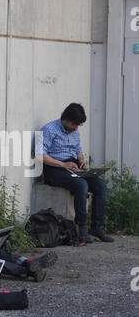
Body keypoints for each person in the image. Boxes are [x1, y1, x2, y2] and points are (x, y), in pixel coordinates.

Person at [39, 103, 114, 244]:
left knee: (100, 185)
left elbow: (78, 150)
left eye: (78, 125)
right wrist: (63, 164)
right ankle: (81, 229)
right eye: (74, 124)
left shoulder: (74, 132)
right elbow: (39, 155)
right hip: (54, 168)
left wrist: (81, 161)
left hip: (72, 166)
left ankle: (97, 227)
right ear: (65, 118)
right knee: (81, 184)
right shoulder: (48, 130)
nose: (76, 128)